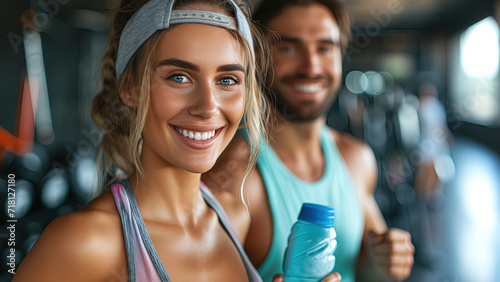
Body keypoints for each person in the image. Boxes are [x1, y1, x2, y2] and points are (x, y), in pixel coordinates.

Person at [13, 0, 287, 281]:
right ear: (130, 88)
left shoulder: (235, 216)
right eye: (179, 77)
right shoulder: (86, 243)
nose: (208, 107)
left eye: (227, 80)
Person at [202, 0, 415, 281]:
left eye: (325, 48)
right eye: (289, 47)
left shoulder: (357, 158)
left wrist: (384, 263)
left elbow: (363, 269)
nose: (311, 66)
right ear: (257, 57)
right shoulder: (234, 174)